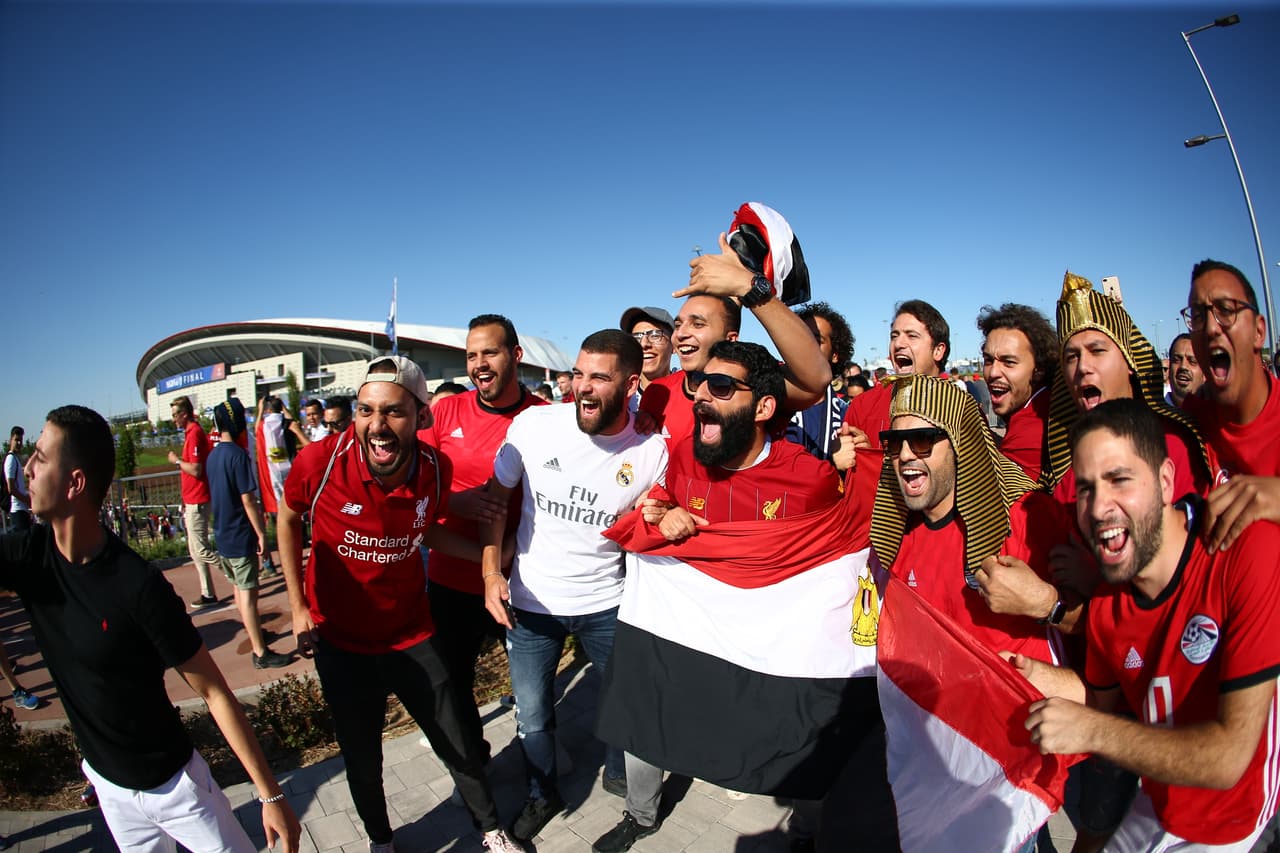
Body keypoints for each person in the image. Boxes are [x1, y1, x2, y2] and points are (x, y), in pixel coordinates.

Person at [0, 405, 301, 853]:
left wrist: (271, 796)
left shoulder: (137, 585)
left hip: (177, 787)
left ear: (75, 483)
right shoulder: (28, 558)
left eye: (40, 458)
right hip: (109, 789)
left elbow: (214, 692)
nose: (26, 468)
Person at [597, 340, 845, 852]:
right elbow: (658, 502)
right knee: (645, 699)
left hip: (768, 655)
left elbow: (839, 557)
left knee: (809, 732)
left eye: (722, 386)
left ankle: (805, 834)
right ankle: (641, 815)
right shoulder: (684, 456)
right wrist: (661, 512)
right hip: (690, 640)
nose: (702, 397)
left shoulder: (810, 479)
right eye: (699, 386)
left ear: (764, 407)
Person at [280, 356, 524, 853]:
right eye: (366, 410)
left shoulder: (435, 468)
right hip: (341, 642)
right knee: (363, 759)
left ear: (420, 417)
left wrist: (490, 557)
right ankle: (380, 841)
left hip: (411, 632)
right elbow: (287, 518)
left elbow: (423, 529)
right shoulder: (320, 462)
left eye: (393, 411)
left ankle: (491, 830)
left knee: (456, 741)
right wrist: (297, 605)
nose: (377, 425)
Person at [1015, 399, 1280, 852]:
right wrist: (1025, 676)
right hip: (1157, 807)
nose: (1099, 507)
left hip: (1240, 824)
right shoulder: (1106, 605)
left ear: (1165, 481)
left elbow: (1229, 757)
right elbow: (1104, 706)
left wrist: (1092, 730)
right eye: (1085, 489)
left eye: (1119, 479)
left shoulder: (1245, 552)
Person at [480, 330, 668, 844]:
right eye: (578, 374)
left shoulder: (652, 450)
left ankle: (618, 771)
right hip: (531, 603)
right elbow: (495, 502)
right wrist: (491, 572)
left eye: (599, 377)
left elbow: (659, 516)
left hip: (607, 604)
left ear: (631, 384)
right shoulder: (535, 425)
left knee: (620, 701)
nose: (582, 387)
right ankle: (543, 793)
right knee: (533, 716)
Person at [871, 375, 1079, 656]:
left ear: (961, 444)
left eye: (922, 439)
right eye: (894, 442)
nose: (905, 455)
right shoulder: (896, 537)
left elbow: (1105, 624)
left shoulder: (1027, 517)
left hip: (1021, 684)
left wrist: (1045, 604)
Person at [419, 314, 546, 766]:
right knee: (453, 684)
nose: (479, 364)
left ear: (516, 355)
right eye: (472, 355)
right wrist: (458, 502)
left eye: (489, 352)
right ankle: (474, 768)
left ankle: (540, 759)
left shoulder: (544, 418)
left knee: (532, 683)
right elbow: (415, 489)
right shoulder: (444, 412)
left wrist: (508, 550)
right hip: (451, 579)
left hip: (520, 580)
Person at [639, 231, 830, 446]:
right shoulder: (657, 394)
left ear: (730, 339)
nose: (681, 333)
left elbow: (816, 379)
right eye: (677, 325)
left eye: (698, 324)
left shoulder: (753, 384)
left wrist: (747, 286)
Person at [1180, 259, 1280, 553]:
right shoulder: (1186, 424)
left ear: (1259, 332)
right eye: (1198, 315)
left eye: (1226, 310)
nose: (1211, 327)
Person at [206, 402, 290, 669]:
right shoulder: (238, 456)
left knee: (238, 589)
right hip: (240, 533)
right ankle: (260, 652)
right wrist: (260, 533)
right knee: (249, 596)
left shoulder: (213, 455)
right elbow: (248, 500)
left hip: (223, 533)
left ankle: (256, 636)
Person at [840, 299, 951, 455]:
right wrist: (862, 456)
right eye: (894, 336)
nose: (898, 344)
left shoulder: (962, 409)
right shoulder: (863, 407)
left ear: (938, 350)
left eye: (912, 336)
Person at [977, 303, 1059, 482]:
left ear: (1039, 369)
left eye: (1009, 362)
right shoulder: (1046, 403)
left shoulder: (1031, 429)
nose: (993, 372)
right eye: (988, 360)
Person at [166, 396, 222, 609]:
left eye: (175, 415)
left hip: (198, 499)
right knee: (195, 550)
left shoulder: (195, 433)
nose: (173, 419)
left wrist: (177, 461)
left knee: (201, 550)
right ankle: (208, 592)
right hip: (192, 499)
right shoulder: (191, 433)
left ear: (184, 414)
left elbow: (196, 469)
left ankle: (236, 575)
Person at [786, 302, 854, 463]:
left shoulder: (847, 415)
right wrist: (831, 462)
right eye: (800, 338)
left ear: (835, 355)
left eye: (816, 340)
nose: (806, 346)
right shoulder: (770, 404)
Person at [619, 305, 676, 406]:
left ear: (674, 345)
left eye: (655, 335)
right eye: (636, 337)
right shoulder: (621, 402)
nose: (644, 344)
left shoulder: (693, 394)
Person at [1165, 334, 1204, 409]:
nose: (1183, 366)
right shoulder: (1150, 413)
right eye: (1177, 360)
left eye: (1192, 361)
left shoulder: (1218, 414)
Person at [4, 427, 31, 531]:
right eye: (16, 440)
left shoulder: (15, 458)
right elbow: (11, 488)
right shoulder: (11, 459)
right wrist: (26, 500)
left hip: (22, 509)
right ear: (11, 440)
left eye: (20, 440)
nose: (19, 443)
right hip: (17, 510)